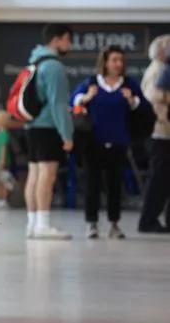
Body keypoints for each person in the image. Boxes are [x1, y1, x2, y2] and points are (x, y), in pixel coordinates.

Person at [71, 46, 147, 239]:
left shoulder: (128, 84)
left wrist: (132, 101)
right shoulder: (91, 82)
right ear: (105, 62)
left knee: (115, 185)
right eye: (114, 60)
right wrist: (87, 97)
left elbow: (144, 107)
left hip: (119, 143)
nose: (118, 64)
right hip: (94, 143)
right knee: (92, 184)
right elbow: (74, 100)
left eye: (121, 61)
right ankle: (92, 223)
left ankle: (114, 224)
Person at [24, 24, 74, 240]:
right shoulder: (54, 67)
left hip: (33, 126)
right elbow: (58, 104)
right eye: (67, 40)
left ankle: (33, 224)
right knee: (47, 175)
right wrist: (67, 134)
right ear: (57, 40)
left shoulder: (35, 61)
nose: (69, 45)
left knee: (35, 174)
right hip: (48, 127)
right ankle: (43, 224)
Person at [139, 35, 170, 233]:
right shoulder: (156, 71)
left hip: (165, 132)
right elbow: (152, 98)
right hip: (160, 133)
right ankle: (148, 219)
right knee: (159, 180)